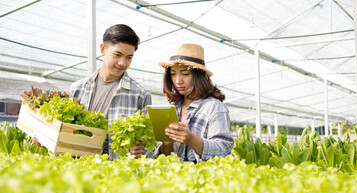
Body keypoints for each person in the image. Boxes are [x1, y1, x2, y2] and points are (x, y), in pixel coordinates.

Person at [70, 24, 152, 160]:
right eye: (117, 55)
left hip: (117, 176)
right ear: (103, 49)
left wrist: (141, 150)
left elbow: (150, 146)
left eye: (129, 57)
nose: (122, 63)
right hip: (78, 172)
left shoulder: (140, 94)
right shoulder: (78, 88)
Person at [155, 43, 234, 163]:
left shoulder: (214, 108)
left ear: (198, 76)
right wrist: (167, 144)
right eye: (173, 74)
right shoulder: (171, 109)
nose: (178, 81)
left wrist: (190, 139)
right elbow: (164, 157)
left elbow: (223, 151)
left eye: (185, 74)